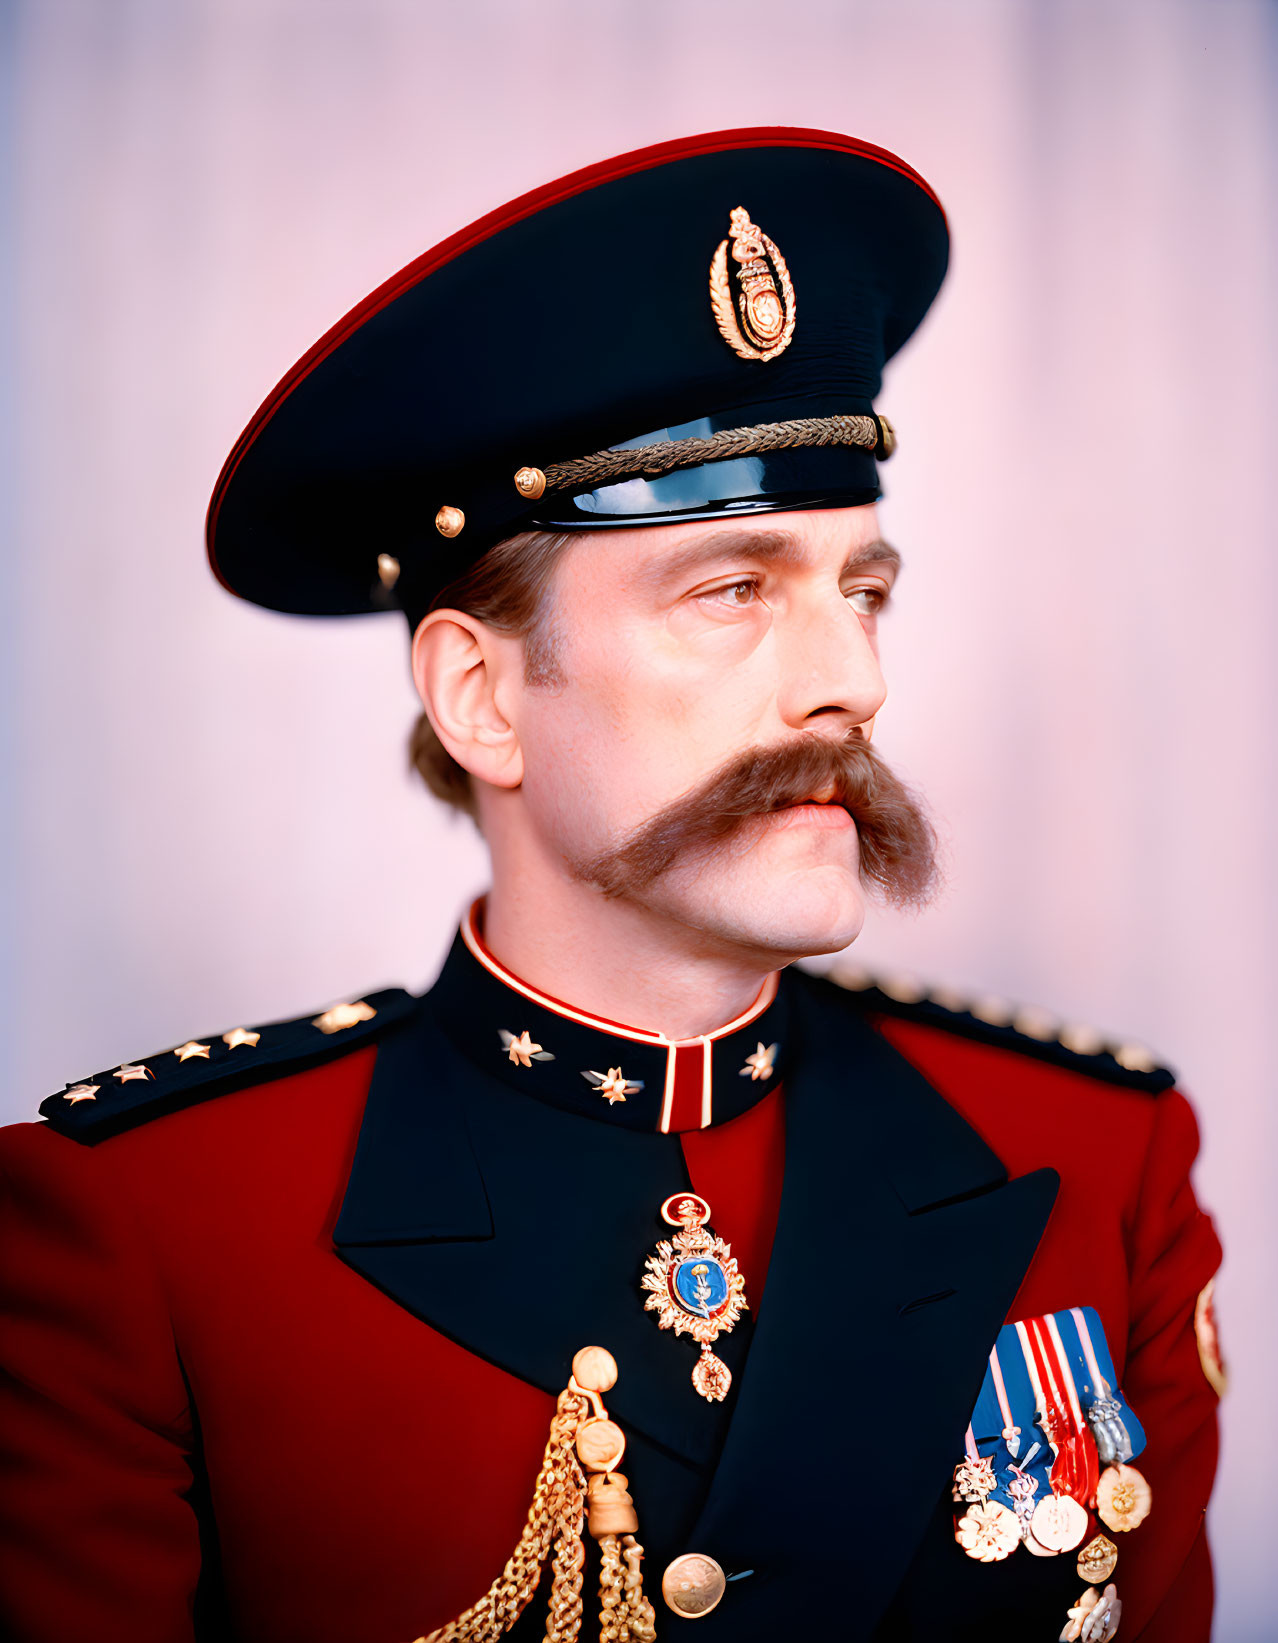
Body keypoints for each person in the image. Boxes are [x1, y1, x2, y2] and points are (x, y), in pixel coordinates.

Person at [0, 128, 1222, 1643]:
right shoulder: (150, 1227)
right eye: (729, 591)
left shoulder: (1102, 1156)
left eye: (862, 592)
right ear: (482, 699)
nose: (848, 681)